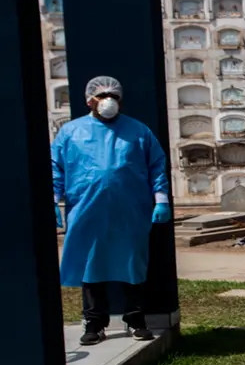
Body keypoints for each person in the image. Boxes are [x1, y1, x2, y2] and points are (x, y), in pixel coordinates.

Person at [52, 76, 171, 346]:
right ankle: (94, 323)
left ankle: (135, 319)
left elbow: (156, 166)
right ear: (89, 100)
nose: (108, 101)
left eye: (114, 96)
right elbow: (55, 167)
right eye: (102, 95)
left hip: (131, 211)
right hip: (86, 210)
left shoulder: (138, 131)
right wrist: (53, 198)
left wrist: (161, 199)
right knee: (91, 266)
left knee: (132, 264)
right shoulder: (71, 132)